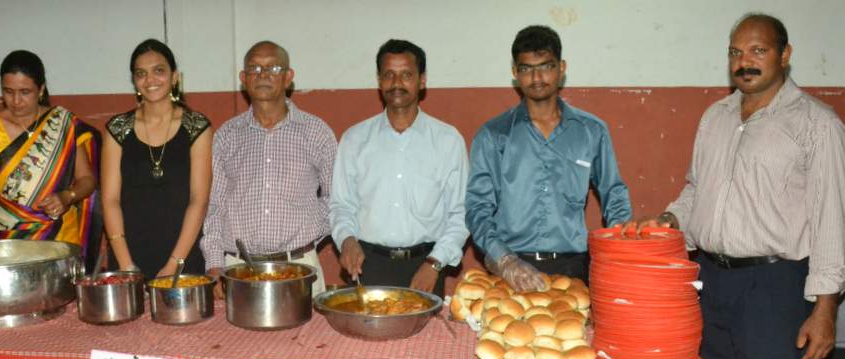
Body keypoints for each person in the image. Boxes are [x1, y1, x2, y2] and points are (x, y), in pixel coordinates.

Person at [625, 14, 845, 359]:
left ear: (785, 55)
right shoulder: (715, 117)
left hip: (774, 288)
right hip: (711, 283)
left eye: (758, 50)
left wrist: (825, 310)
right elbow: (697, 190)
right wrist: (670, 220)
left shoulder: (817, 124)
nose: (745, 61)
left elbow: (832, 220)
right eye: (735, 52)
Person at [465, 25, 631, 291]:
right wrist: (504, 259)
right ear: (515, 72)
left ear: (562, 68)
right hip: (510, 269)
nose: (537, 77)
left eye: (546, 66)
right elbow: (477, 208)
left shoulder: (591, 131)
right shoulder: (494, 135)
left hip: (573, 268)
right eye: (526, 68)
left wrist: (622, 248)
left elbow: (614, 193)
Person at [0, 50, 102, 271]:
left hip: (58, 241)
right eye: (8, 91)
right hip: (6, 245)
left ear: (41, 89)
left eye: (25, 92)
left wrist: (67, 196)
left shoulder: (64, 125)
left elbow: (87, 180)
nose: (15, 101)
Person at [330, 39, 468, 297]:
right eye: (388, 75)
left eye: (406, 75)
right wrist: (346, 240)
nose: (396, 83)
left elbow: (460, 213)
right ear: (379, 80)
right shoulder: (354, 139)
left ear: (422, 80)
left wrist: (435, 262)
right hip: (366, 266)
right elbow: (341, 206)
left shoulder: (448, 141)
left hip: (426, 267)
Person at [201, 41, 337, 297]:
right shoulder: (227, 135)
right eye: (254, 68)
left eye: (273, 68)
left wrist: (307, 236)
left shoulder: (316, 132)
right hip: (237, 269)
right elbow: (215, 205)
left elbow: (335, 198)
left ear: (288, 77)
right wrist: (214, 264)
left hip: (301, 268)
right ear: (244, 79)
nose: (263, 75)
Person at [102, 39, 213, 277]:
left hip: (183, 256)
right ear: (134, 81)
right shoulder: (117, 129)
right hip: (127, 256)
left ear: (175, 77)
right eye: (141, 73)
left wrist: (174, 264)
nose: (150, 80)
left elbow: (198, 201)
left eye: (159, 71)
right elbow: (110, 200)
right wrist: (126, 266)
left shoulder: (197, 127)